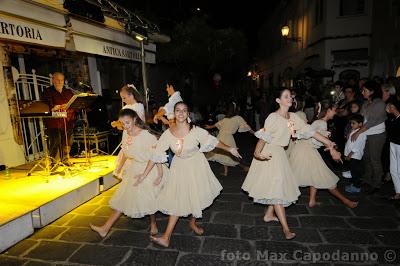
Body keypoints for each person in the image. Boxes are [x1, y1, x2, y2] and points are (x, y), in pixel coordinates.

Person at [136, 102, 241, 247]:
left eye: (184, 110)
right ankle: (166, 237)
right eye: (178, 110)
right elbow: (155, 155)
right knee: (178, 199)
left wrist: (230, 149)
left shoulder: (195, 130)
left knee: (195, 196)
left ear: (187, 114)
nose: (181, 113)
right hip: (179, 167)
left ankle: (192, 223)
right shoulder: (168, 134)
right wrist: (144, 174)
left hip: (196, 165)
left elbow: (213, 141)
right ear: (174, 113)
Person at [242, 88, 341, 240]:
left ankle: (269, 214)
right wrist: (257, 153)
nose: (290, 98)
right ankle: (286, 229)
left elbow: (310, 131)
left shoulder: (293, 117)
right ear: (278, 100)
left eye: (291, 96)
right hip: (269, 153)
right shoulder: (273, 117)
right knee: (277, 189)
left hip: (280, 154)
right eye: (286, 96)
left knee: (277, 186)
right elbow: (264, 137)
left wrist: (330, 145)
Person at [90, 109, 165, 237]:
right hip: (134, 169)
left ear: (135, 120)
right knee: (124, 198)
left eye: (127, 123)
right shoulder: (126, 133)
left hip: (148, 169)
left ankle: (153, 223)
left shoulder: (146, 135)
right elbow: (125, 150)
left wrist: (160, 174)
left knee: (149, 199)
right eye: (122, 123)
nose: (125, 126)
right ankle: (105, 228)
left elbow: (156, 156)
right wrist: (119, 167)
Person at [289, 103, 358, 208]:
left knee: (314, 175)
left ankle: (312, 201)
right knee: (325, 177)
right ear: (328, 111)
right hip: (306, 151)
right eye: (334, 110)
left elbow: (312, 134)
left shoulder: (319, 122)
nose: (335, 113)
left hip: (303, 149)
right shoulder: (322, 123)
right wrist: (331, 147)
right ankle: (346, 201)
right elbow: (316, 137)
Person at [351, 80, 387, 194]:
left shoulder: (379, 103)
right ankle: (367, 179)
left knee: (374, 159)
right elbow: (362, 118)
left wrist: (358, 132)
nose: (362, 92)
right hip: (366, 134)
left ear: (372, 91)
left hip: (377, 135)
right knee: (366, 157)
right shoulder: (366, 103)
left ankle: (376, 183)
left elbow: (371, 122)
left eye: (365, 90)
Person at [206, 102, 254, 176]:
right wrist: (255, 133)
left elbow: (216, 124)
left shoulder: (226, 118)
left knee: (225, 154)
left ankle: (232, 170)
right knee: (231, 154)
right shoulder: (238, 118)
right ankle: (242, 167)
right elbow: (246, 126)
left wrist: (209, 127)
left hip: (220, 136)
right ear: (236, 109)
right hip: (227, 137)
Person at [41, 72, 75, 164]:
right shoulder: (47, 92)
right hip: (54, 122)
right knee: (55, 142)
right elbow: (45, 106)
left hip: (68, 121)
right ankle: (52, 162)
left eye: (62, 80)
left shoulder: (68, 92)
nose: (60, 82)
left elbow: (74, 104)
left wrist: (68, 106)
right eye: (57, 80)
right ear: (53, 80)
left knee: (68, 141)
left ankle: (65, 159)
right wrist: (54, 107)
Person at [344, 114, 367, 193]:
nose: (351, 125)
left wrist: (350, 154)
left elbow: (358, 145)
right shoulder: (354, 131)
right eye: (351, 123)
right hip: (352, 155)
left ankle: (356, 187)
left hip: (355, 156)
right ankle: (353, 185)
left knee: (355, 172)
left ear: (360, 124)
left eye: (353, 123)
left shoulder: (361, 133)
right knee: (353, 171)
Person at [386, 102, 400, 200]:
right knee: (393, 169)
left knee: (399, 169)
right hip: (393, 144)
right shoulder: (392, 118)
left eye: (389, 107)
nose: (387, 110)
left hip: (399, 145)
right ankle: (398, 191)